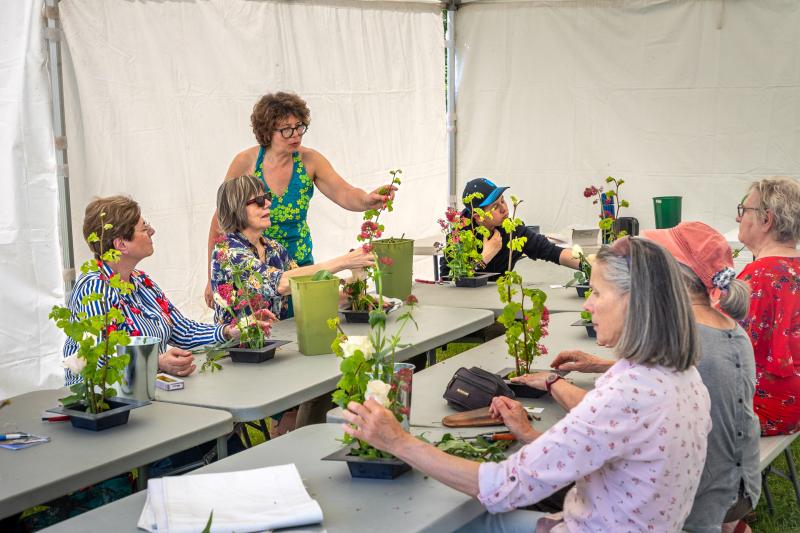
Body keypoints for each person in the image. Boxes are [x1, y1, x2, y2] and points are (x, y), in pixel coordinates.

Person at [344, 237, 711, 532]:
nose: (588, 305)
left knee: (467, 520)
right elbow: (617, 447)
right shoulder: (681, 376)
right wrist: (535, 438)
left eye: (597, 293)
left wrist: (398, 441)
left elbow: (502, 486)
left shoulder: (628, 392)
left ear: (634, 303)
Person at [532, 222, 759, 532]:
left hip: (702, 497)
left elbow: (606, 417)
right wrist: (600, 364)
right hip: (742, 481)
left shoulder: (689, 335)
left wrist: (552, 383)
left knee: (563, 483)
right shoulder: (725, 326)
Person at [205, 91, 394, 308]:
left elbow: (345, 192)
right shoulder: (245, 162)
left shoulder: (310, 160)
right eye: (286, 130)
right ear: (267, 131)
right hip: (252, 265)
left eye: (299, 127)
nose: (296, 135)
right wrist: (212, 278)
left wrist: (367, 200)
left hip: (296, 261)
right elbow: (221, 218)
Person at [63, 196, 267, 384]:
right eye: (144, 228)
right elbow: (100, 357)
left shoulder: (141, 282)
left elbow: (184, 331)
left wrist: (229, 331)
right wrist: (157, 362)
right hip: (103, 405)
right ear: (121, 244)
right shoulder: (94, 288)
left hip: (143, 391)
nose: (152, 231)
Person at [211, 174, 375, 322]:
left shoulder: (273, 248)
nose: (268, 203)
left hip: (271, 344)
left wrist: (355, 294)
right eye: (259, 201)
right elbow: (281, 283)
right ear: (236, 208)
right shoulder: (228, 251)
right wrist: (346, 261)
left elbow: (306, 288)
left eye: (267, 197)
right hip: (234, 351)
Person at [735, 177, 800, 436]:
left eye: (744, 210)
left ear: (766, 219)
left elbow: (724, 346)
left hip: (764, 407)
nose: (739, 219)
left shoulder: (759, 276)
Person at [439, 177, 579, 280]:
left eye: (502, 200)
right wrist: (485, 257)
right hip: (468, 310)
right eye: (495, 207)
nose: (504, 208)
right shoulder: (460, 236)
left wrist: (590, 266)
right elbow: (448, 281)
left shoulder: (511, 229)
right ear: (478, 216)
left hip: (500, 303)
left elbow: (552, 252)